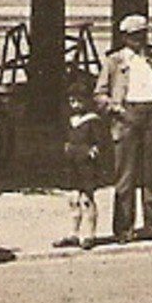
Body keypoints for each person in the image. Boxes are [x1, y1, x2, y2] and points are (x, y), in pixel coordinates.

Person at [95, 13, 152, 242]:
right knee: (125, 176)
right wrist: (115, 108)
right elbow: (99, 93)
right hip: (127, 116)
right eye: (135, 35)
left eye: (143, 34)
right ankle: (124, 228)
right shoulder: (115, 61)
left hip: (151, 116)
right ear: (125, 37)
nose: (140, 39)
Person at [54, 83, 106, 250]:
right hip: (71, 163)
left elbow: (101, 143)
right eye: (72, 101)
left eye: (79, 101)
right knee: (73, 198)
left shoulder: (93, 120)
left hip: (86, 165)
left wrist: (93, 152)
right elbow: (65, 137)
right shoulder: (69, 120)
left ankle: (90, 234)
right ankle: (73, 233)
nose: (75, 104)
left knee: (86, 199)